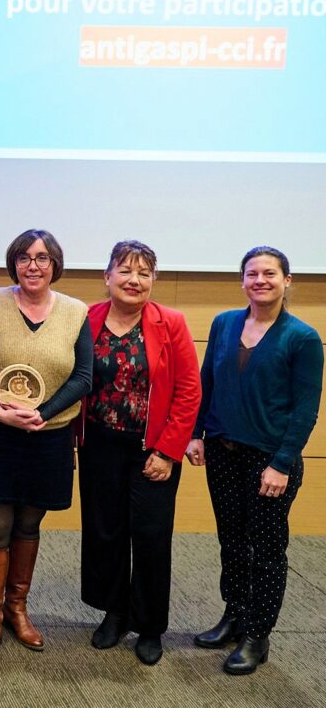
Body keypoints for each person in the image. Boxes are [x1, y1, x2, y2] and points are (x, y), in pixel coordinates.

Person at [186, 246, 322, 675]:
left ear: (287, 281)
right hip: (224, 453)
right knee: (231, 541)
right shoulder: (224, 323)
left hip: (269, 463)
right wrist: (196, 433)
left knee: (265, 550)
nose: (260, 280)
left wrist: (282, 463)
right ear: (242, 280)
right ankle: (234, 615)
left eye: (269, 273)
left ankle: (257, 635)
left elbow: (305, 408)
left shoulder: (302, 337)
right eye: (252, 274)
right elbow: (207, 381)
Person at [0, 229, 92, 665]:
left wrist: (43, 411)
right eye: (23, 257)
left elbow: (84, 377)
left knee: (29, 525)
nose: (32, 265)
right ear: (13, 262)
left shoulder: (76, 312)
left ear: (55, 263)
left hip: (49, 434)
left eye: (41, 257)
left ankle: (18, 610)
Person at [80, 240, 200, 665]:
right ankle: (115, 613)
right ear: (107, 276)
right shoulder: (87, 318)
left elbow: (189, 391)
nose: (134, 280)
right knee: (105, 531)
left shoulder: (171, 322)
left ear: (153, 280)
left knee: (149, 537)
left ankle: (150, 626)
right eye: (125, 270)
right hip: (97, 444)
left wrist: (168, 452)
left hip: (152, 449)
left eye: (144, 273)